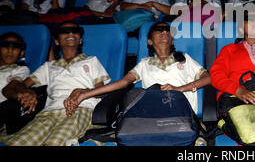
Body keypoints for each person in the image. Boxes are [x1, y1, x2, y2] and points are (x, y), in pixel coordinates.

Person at [64, 22, 211, 115]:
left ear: (172, 40)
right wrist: (86, 94)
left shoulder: (185, 59)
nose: (164, 32)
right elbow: (122, 82)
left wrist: (181, 89)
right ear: (149, 41)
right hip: (151, 113)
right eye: (159, 30)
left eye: (167, 30)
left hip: (181, 112)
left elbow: (209, 77)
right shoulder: (144, 63)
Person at [3, 21, 111, 146]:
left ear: (80, 40)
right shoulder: (48, 67)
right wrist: (26, 91)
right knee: (17, 142)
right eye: (64, 31)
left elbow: (103, 91)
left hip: (81, 108)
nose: (70, 33)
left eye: (75, 31)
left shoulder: (91, 61)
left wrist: (85, 91)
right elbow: (21, 85)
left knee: (52, 143)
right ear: (56, 41)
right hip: (49, 113)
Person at [0, 32, 30, 134]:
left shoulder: (20, 70)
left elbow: (8, 90)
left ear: (21, 53)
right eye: (5, 46)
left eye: (16, 47)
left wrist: (20, 96)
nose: (10, 50)